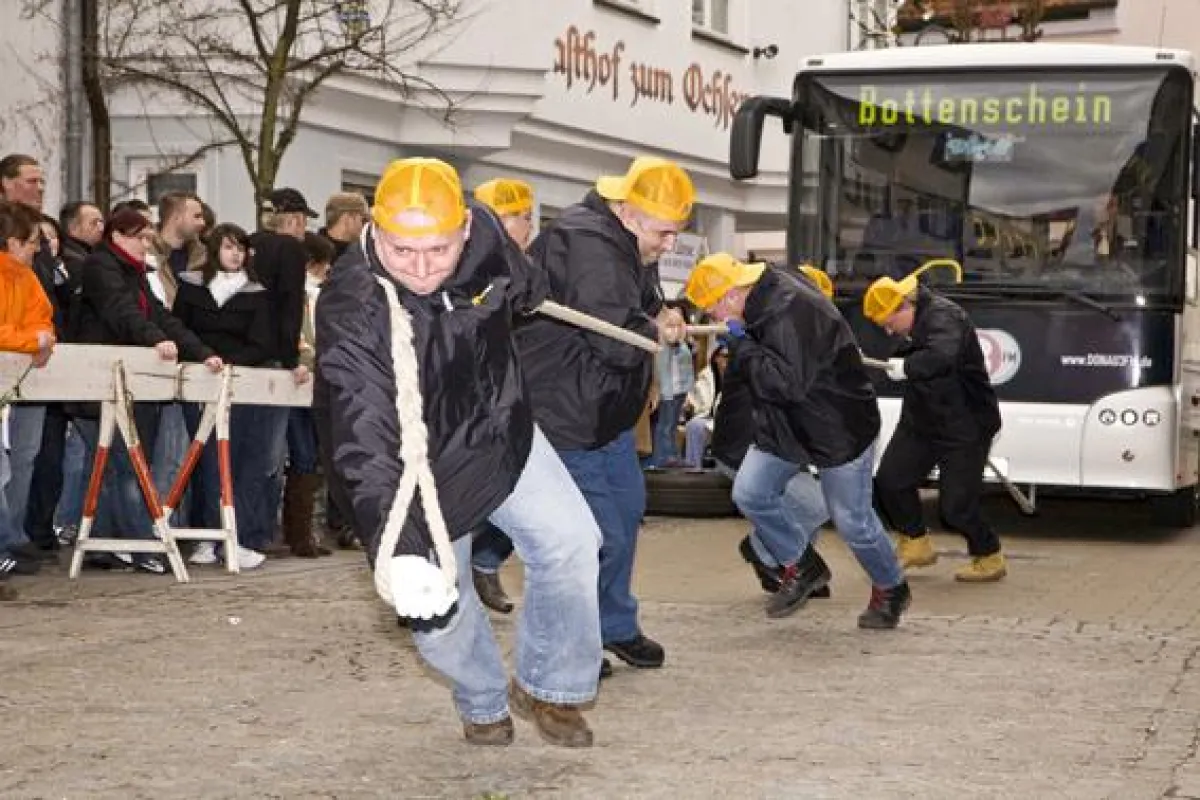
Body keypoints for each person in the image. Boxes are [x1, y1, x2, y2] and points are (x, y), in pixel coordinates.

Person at [316, 157, 603, 747]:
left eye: (439, 251)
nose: (420, 269)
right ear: (375, 231)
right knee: (437, 606)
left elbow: (527, 288)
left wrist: (516, 288)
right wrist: (401, 548)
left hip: (501, 427)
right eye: (401, 252)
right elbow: (360, 429)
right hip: (417, 467)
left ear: (466, 229)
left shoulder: (489, 238)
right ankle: (481, 697)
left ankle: (549, 686)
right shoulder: (353, 306)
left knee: (573, 544)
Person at [516, 156, 692, 674]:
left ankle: (615, 625)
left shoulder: (628, 241)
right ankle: (575, 645)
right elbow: (617, 340)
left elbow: (642, 309)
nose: (670, 244)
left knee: (627, 512)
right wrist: (651, 329)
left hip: (605, 411)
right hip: (567, 411)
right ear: (629, 212)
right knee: (595, 534)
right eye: (665, 232)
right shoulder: (587, 243)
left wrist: (662, 315)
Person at [685, 254, 911, 629]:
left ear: (729, 297)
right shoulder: (765, 289)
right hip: (786, 422)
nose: (713, 320)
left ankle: (891, 587)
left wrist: (741, 345)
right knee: (751, 491)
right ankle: (802, 565)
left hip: (836, 425)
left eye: (712, 311)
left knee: (852, 520)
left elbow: (785, 382)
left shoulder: (789, 310)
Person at [71, 207, 223, 573]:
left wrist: (201, 352)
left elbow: (158, 315)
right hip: (104, 382)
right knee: (125, 465)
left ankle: (107, 544)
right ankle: (138, 545)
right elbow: (121, 313)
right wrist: (157, 340)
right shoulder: (102, 268)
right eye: (139, 237)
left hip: (126, 383)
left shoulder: (133, 271)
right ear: (118, 236)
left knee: (115, 466)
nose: (146, 245)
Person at [863, 263, 1007, 582]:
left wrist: (908, 366)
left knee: (955, 507)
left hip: (966, 424)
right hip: (922, 420)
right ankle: (916, 543)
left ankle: (989, 554)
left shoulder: (945, 317)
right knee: (890, 480)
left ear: (904, 306)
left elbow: (942, 356)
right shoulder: (912, 320)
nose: (889, 332)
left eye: (890, 324)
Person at [708, 264, 835, 602]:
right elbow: (782, 388)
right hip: (746, 448)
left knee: (810, 505)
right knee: (814, 505)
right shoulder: (769, 333)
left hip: (777, 446)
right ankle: (768, 555)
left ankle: (776, 559)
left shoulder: (783, 333)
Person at [171, 223, 276, 570]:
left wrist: (231, 365)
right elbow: (179, 327)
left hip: (241, 384)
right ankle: (205, 536)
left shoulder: (258, 293)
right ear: (215, 250)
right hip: (199, 381)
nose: (236, 255)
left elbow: (263, 341)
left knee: (243, 461)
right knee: (204, 461)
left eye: (241, 249)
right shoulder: (191, 286)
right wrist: (202, 357)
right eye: (229, 247)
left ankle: (242, 537)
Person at [467, 177, 537, 615]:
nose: (529, 227)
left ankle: (482, 562)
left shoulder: (521, 267)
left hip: (508, 396)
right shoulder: (469, 268)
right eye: (522, 218)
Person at [0, 200, 55, 585]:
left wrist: (40, 340)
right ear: (14, 242)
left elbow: (44, 319)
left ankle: (7, 544)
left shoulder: (27, 278)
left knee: (13, 465)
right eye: (33, 241)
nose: (38, 248)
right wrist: (30, 341)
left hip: (16, 378)